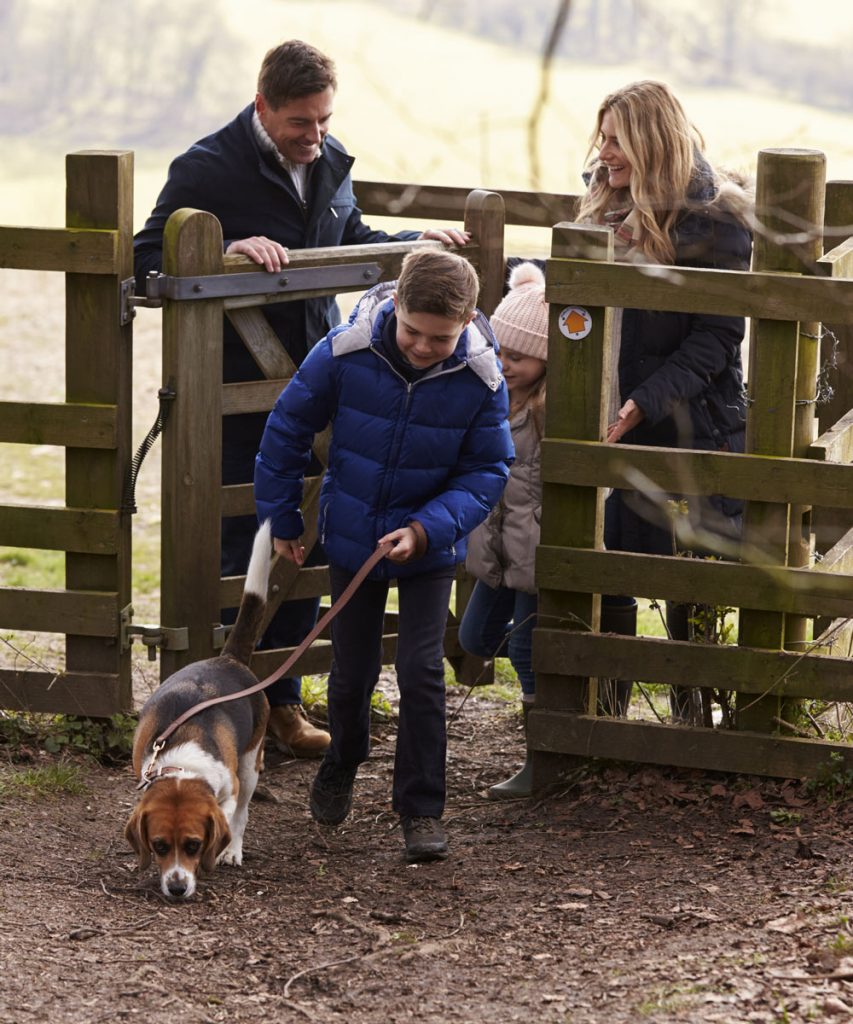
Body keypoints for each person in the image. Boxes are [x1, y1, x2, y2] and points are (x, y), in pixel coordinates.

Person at [134, 40, 468, 756]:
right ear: (262, 107)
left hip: (318, 381)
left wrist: (413, 243)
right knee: (239, 543)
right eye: (299, 124)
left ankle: (281, 705)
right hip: (228, 391)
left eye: (323, 120)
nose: (314, 137)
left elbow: (347, 238)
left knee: (310, 535)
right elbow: (144, 256)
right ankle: (215, 713)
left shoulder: (331, 159)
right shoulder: (207, 168)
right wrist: (227, 252)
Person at [254, 249, 513, 862]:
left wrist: (426, 530)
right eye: (413, 331)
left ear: (470, 320)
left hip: (428, 547)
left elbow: (487, 470)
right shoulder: (345, 352)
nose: (424, 347)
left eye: (441, 337)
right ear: (395, 305)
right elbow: (288, 427)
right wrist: (285, 518)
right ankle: (344, 757)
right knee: (351, 671)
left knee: (422, 672)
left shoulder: (481, 378)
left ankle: (421, 808)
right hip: (353, 540)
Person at [575, 80, 753, 722]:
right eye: (603, 136)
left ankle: (691, 717)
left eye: (617, 138)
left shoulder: (717, 220)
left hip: (690, 424)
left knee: (690, 577)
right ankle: (609, 718)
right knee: (614, 562)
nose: (605, 151)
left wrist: (644, 401)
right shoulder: (604, 200)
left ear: (650, 141)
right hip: (619, 415)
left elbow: (718, 336)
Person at [457, 263, 547, 799]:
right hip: (494, 554)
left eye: (519, 356)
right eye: (501, 352)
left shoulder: (547, 412)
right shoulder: (489, 395)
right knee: (474, 640)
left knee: (528, 656)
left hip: (533, 557)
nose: (506, 364)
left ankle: (541, 758)